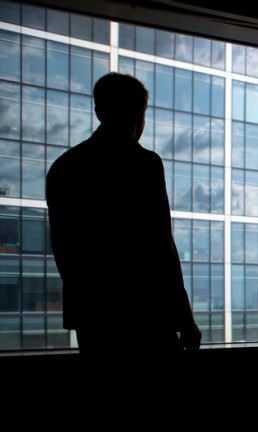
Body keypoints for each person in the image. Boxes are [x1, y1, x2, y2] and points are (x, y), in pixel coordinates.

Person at [46, 72, 201, 356]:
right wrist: (186, 319)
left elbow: (64, 249)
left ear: (98, 111)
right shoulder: (144, 164)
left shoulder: (64, 167)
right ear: (138, 114)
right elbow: (162, 247)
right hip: (145, 312)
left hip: (94, 318)